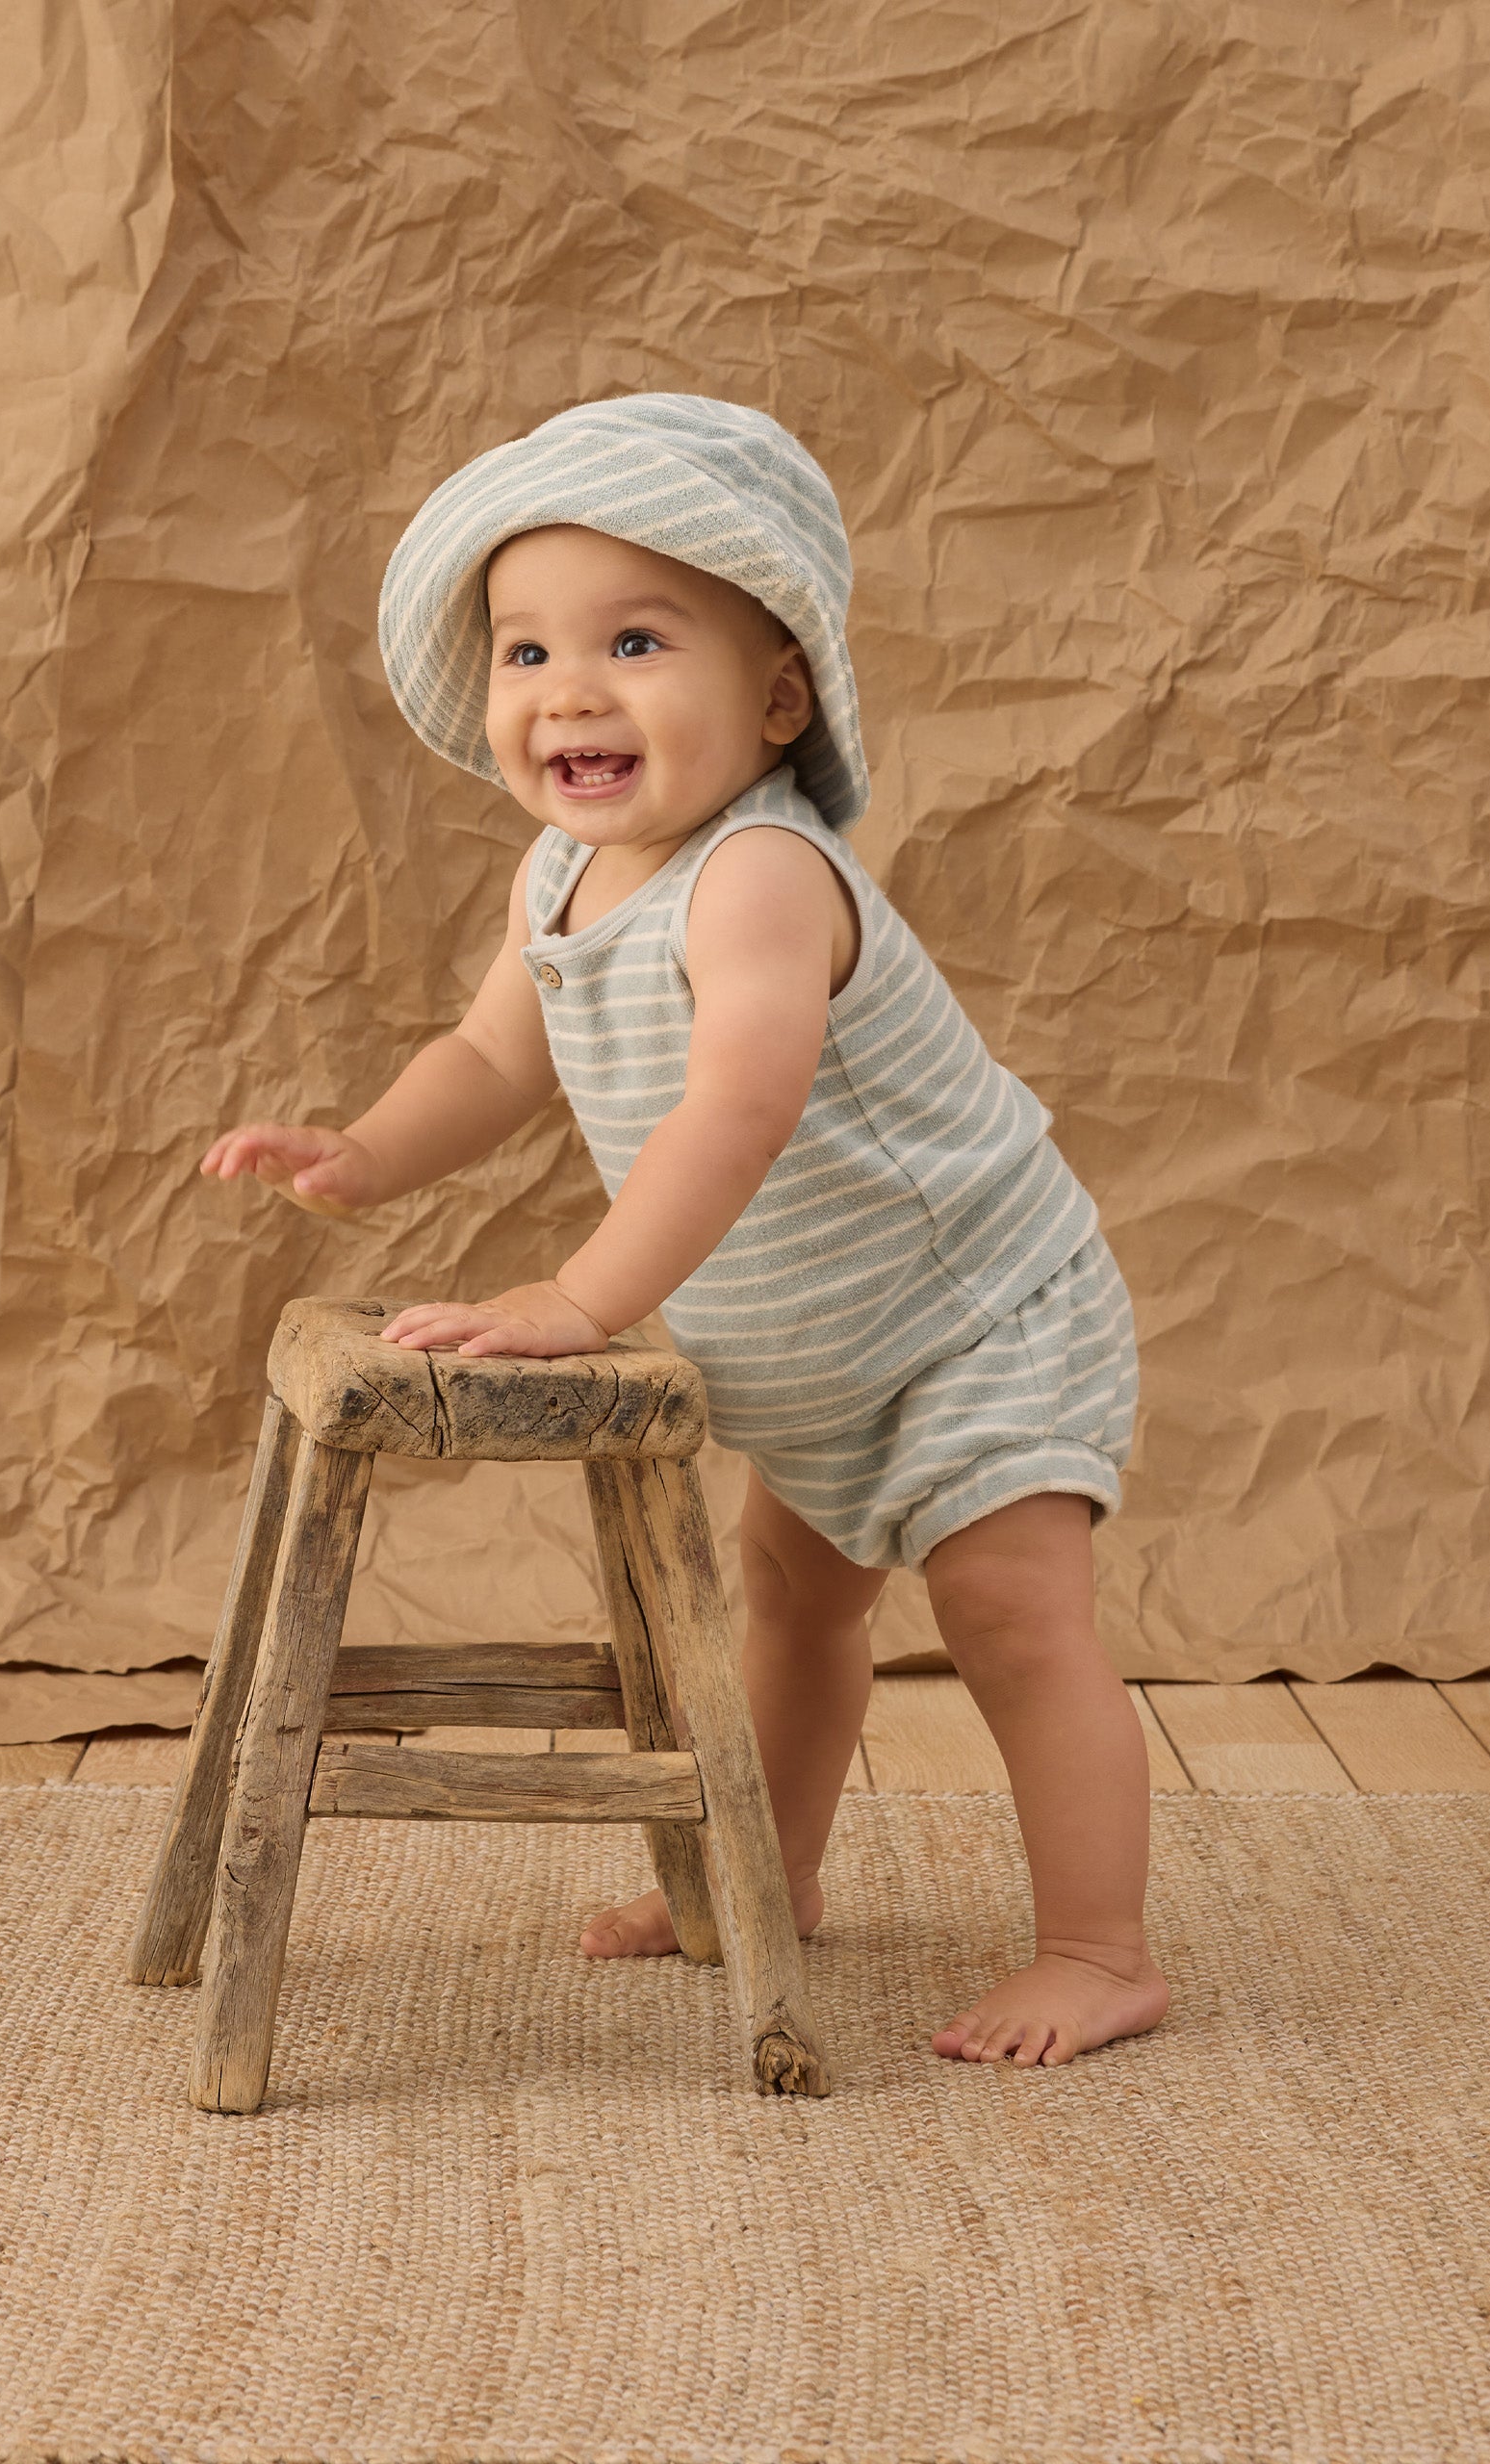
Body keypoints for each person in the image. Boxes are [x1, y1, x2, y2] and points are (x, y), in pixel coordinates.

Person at [201, 394, 1166, 2070]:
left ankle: (1099, 1945)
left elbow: (740, 1106)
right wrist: (364, 1151)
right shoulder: (556, 878)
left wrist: (584, 1296)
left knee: (1013, 1614)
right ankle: (765, 1871)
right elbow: (497, 1054)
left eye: (636, 640)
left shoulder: (764, 876)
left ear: (778, 692)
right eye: (524, 652)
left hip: (973, 1315)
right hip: (821, 1349)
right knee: (793, 1607)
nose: (570, 689)